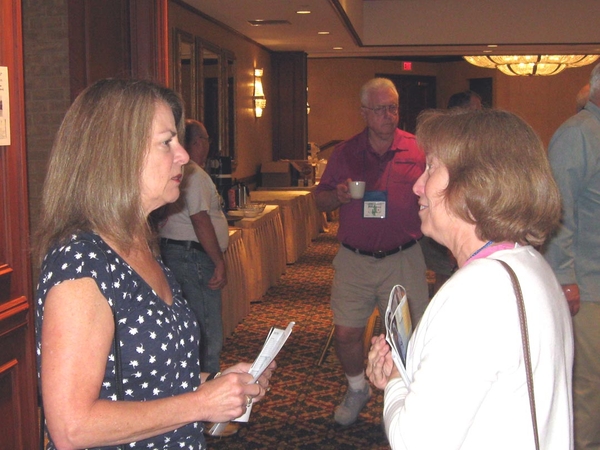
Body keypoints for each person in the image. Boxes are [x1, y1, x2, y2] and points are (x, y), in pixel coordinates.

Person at [34, 78, 274, 449]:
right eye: (167, 142)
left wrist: (216, 384)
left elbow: (150, 380)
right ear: (118, 154)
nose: (182, 155)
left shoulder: (139, 245)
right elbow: (72, 427)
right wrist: (200, 403)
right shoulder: (81, 262)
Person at [367, 108, 573, 449]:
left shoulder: (478, 294)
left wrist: (393, 382)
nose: (418, 184)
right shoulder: (528, 262)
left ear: (474, 183)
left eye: (431, 167)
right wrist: (405, 371)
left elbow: (415, 441)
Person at [315, 77, 429, 426]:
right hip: (355, 260)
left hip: (404, 257)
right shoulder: (345, 152)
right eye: (379, 109)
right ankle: (356, 387)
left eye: (393, 107)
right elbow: (319, 199)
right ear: (364, 112)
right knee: (347, 333)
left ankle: (413, 398)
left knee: (412, 336)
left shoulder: (417, 149)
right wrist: (337, 196)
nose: (388, 115)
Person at [544, 62, 600, 450]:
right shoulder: (578, 134)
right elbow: (557, 213)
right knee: (587, 388)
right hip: (587, 283)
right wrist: (565, 278)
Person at [159, 119, 228, 375]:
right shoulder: (194, 175)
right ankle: (207, 393)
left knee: (194, 325)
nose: (208, 146)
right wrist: (219, 261)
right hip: (193, 256)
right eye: (207, 140)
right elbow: (200, 220)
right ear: (198, 142)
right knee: (207, 330)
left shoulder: (184, 173)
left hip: (181, 253)